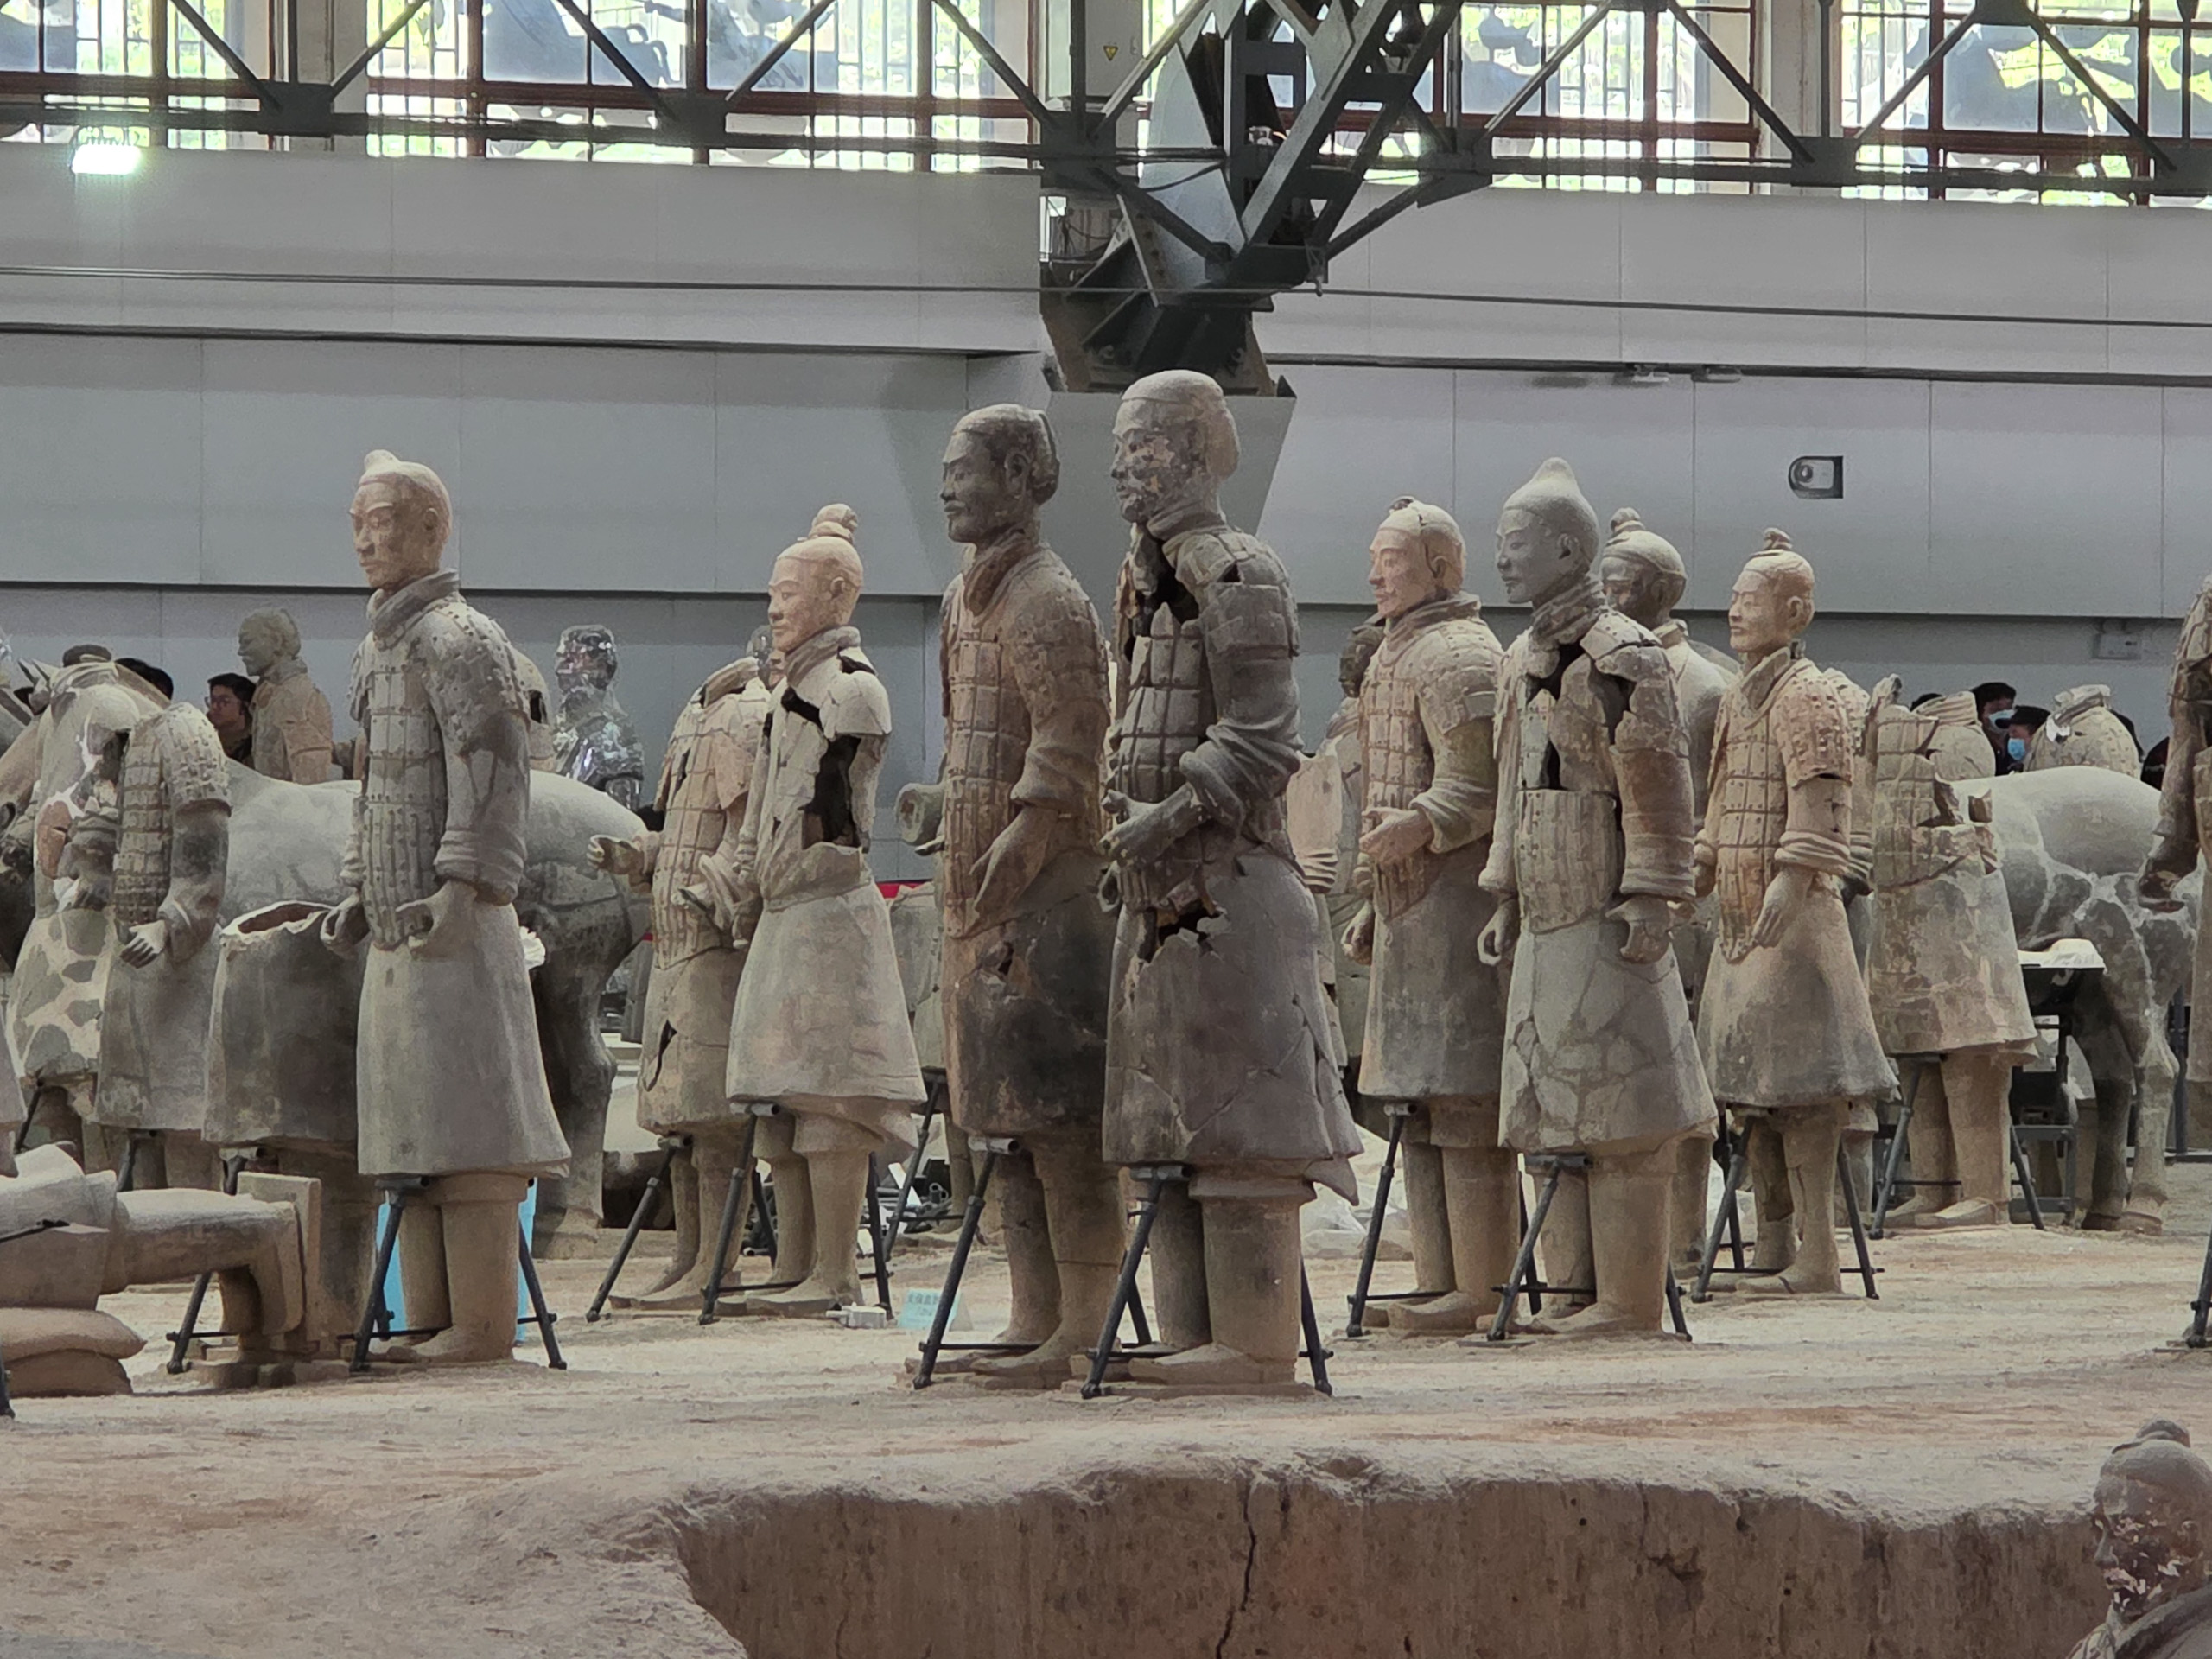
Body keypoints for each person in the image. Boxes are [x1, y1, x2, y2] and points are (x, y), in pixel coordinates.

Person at [2067, 1421, 2212, 1659]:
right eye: (2099, 1531)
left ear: (2187, 1541)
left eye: (2125, 1534)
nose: (2101, 1557)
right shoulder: (2094, 1647)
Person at [206, 672, 257, 763]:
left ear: (245, 705)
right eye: (212, 700)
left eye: (224, 701)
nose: (215, 706)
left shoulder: (257, 744)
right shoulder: (202, 736)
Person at [1972, 680, 2018, 774]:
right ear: (1979, 714)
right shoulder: (1976, 745)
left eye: (2009, 708)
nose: (2005, 714)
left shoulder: (2018, 742)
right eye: (1997, 710)